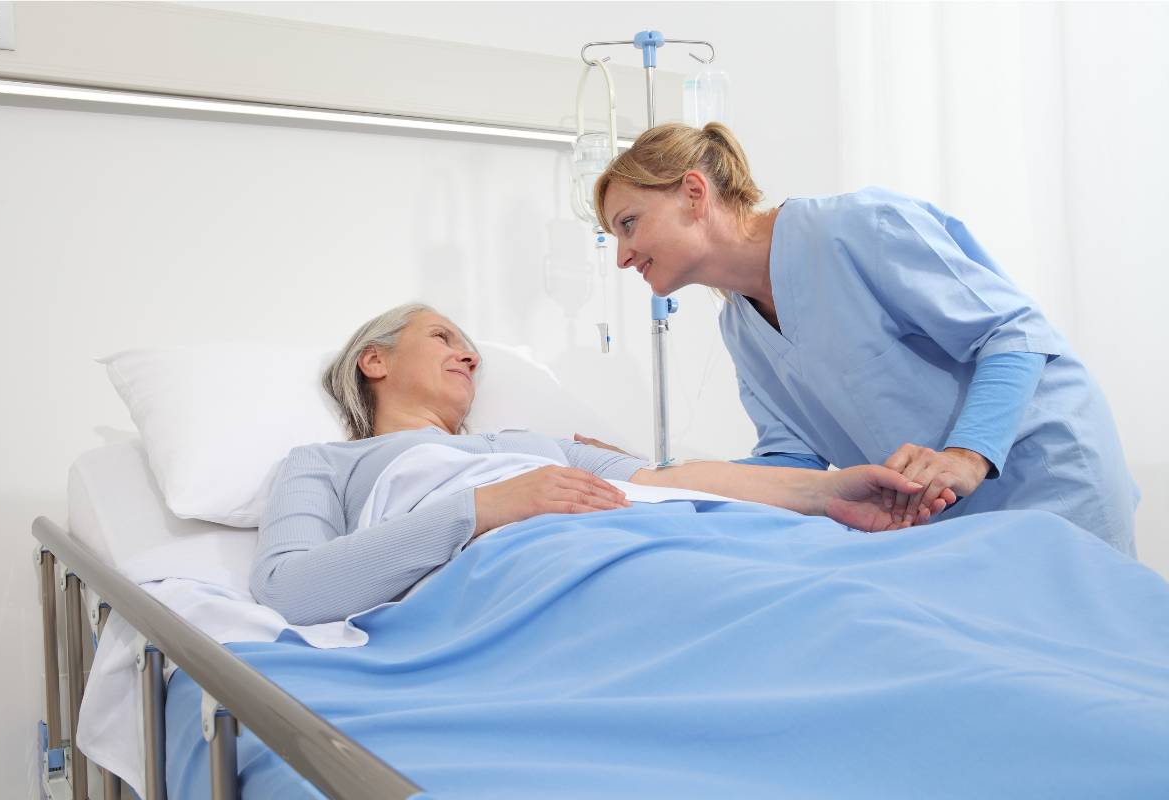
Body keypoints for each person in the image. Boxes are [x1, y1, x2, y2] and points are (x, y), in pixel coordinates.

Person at [594, 122, 1138, 555]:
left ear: (694, 193)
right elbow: (793, 461)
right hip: (938, 510)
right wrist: (654, 478)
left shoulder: (855, 229)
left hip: (1041, 468)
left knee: (1093, 648)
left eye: (628, 223)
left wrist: (967, 455)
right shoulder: (739, 326)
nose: (622, 256)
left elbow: (1013, 332)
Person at [251, 303, 952, 625]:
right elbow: (290, 592)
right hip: (533, 567)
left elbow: (667, 482)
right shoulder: (324, 463)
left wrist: (829, 492)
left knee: (866, 590)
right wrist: (486, 507)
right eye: (443, 337)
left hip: (653, 533)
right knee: (807, 616)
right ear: (374, 360)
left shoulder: (533, 444)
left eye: (473, 350)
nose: (468, 355)